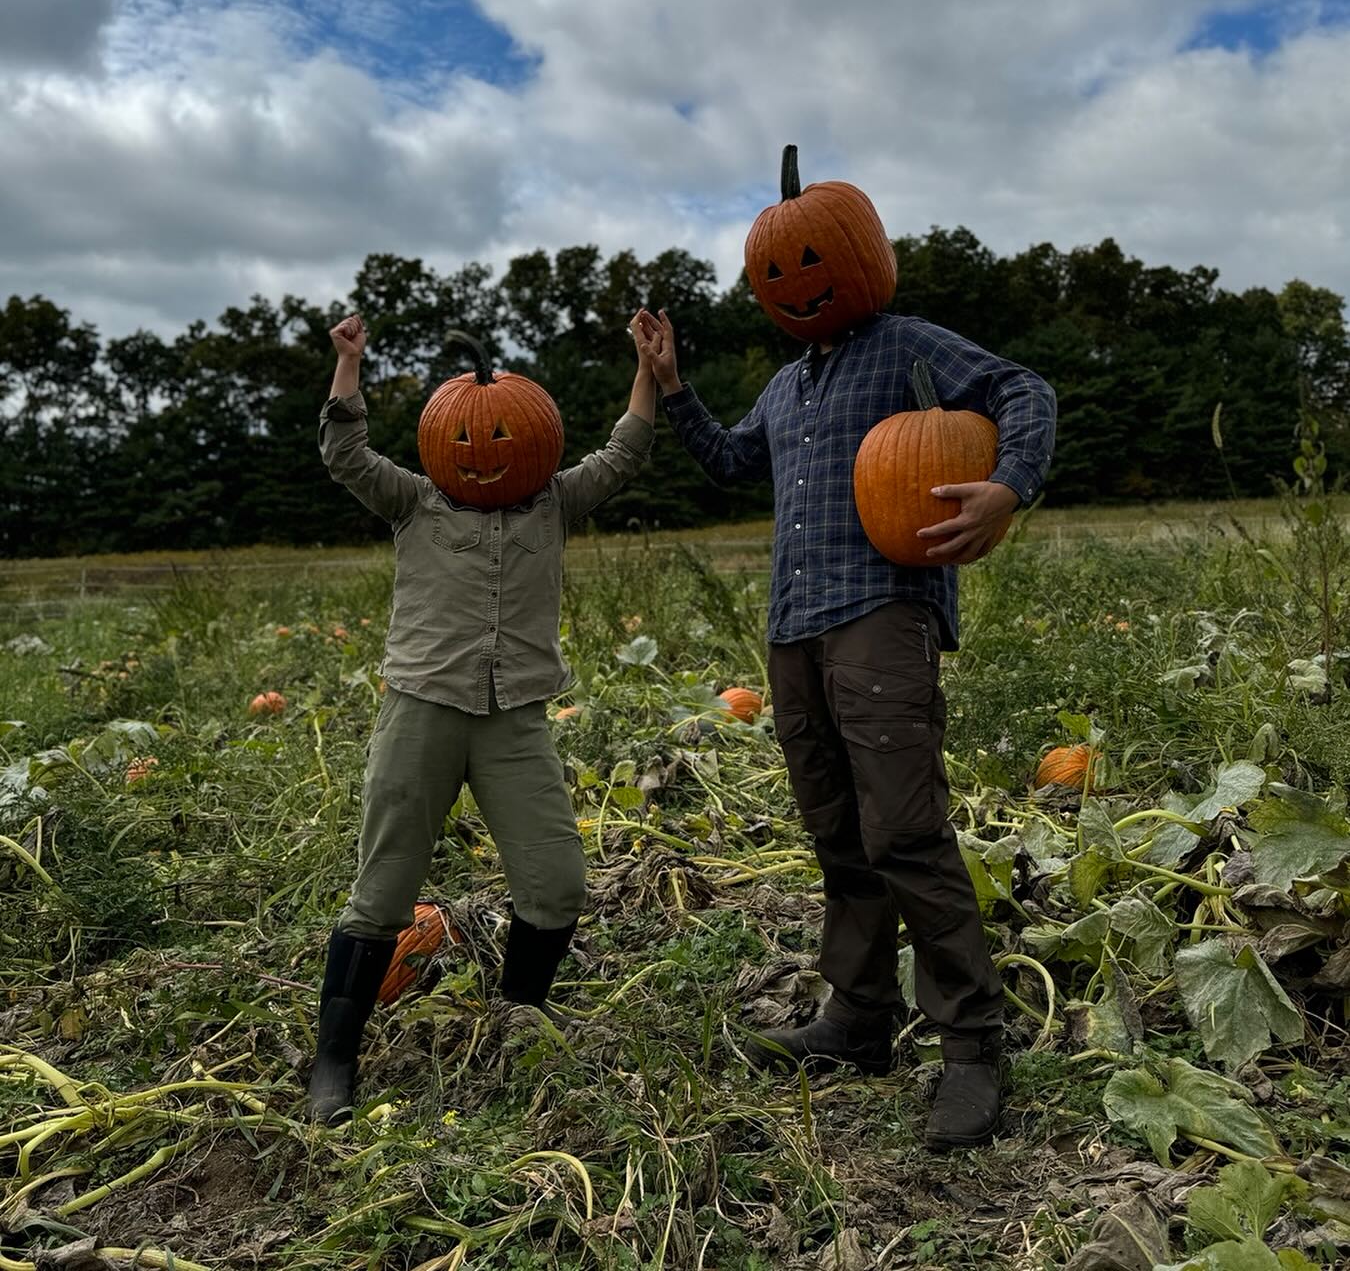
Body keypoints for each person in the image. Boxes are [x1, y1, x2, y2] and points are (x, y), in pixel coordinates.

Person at [634, 201, 1054, 1149]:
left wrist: (1010, 483)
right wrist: (673, 386)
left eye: (809, 262)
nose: (790, 284)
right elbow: (733, 461)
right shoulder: (787, 387)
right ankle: (859, 1020)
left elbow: (1020, 389)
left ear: (860, 258)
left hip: (881, 611)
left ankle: (973, 1047)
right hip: (795, 631)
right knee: (837, 832)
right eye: (771, 274)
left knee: (904, 828)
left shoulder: (908, 347)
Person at [308, 312, 657, 1124]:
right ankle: (334, 1060)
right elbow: (345, 455)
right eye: (470, 438)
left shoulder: (554, 503)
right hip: (422, 711)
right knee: (384, 893)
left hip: (514, 721)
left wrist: (646, 370)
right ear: (442, 443)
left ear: (535, 442)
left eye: (505, 436)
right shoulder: (414, 502)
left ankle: (517, 1018)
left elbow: (625, 453)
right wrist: (349, 365)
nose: (485, 450)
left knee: (556, 882)